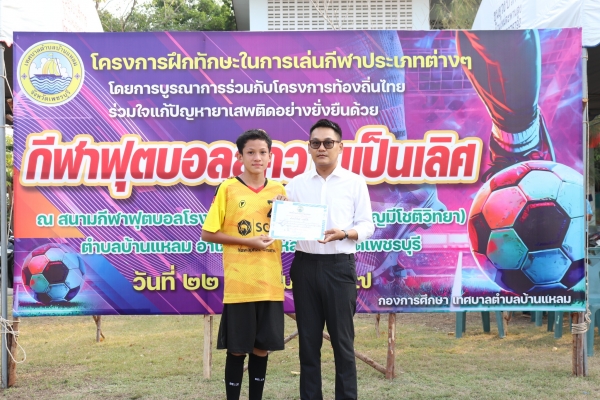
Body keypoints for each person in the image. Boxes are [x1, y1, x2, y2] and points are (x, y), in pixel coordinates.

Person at [276, 119, 375, 400]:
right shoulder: (295, 185)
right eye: (316, 143)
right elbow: (285, 225)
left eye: (328, 142)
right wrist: (280, 212)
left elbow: (367, 225)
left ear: (340, 147)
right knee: (308, 344)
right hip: (304, 266)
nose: (322, 148)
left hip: (339, 267)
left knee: (343, 344)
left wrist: (344, 233)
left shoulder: (354, 183)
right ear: (309, 147)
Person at [201, 129, 286, 400]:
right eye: (250, 152)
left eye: (262, 152)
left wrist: (286, 213)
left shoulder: (279, 190)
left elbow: (287, 232)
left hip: (270, 285)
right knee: (237, 349)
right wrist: (248, 241)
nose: (257, 157)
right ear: (239, 156)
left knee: (262, 349)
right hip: (240, 286)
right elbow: (208, 234)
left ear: (270, 157)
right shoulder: (228, 188)